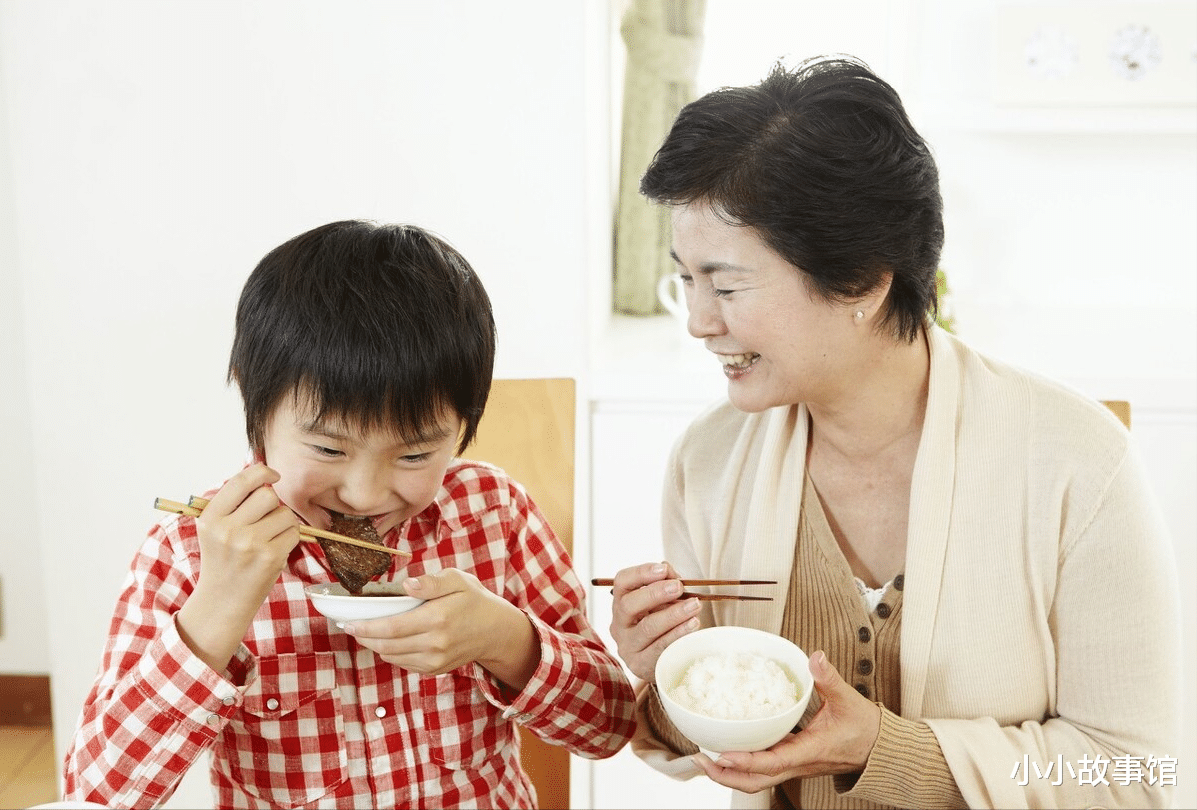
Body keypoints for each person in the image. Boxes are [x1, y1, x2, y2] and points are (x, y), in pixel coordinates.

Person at [608, 56, 1179, 809]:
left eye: (727, 284)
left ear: (865, 281)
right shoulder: (709, 462)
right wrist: (665, 681)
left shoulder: (1076, 462)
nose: (698, 321)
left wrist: (883, 749)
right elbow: (709, 734)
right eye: (685, 278)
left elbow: (1131, 773)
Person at [63, 220, 636, 808]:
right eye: (329, 449)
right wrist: (217, 611)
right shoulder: (191, 550)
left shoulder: (492, 512)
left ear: (465, 425)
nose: (365, 494)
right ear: (255, 406)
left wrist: (505, 640)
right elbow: (95, 794)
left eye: (414, 453)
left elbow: (610, 726)